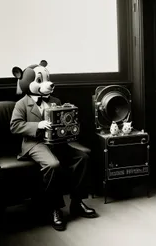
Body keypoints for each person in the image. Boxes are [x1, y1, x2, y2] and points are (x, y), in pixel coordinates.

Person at [10, 60, 98, 231]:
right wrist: (37, 126)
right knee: (53, 165)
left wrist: (70, 127)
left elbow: (61, 122)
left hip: (57, 142)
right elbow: (14, 126)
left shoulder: (56, 100)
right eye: (40, 80)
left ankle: (77, 202)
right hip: (34, 143)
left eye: (47, 79)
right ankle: (54, 208)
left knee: (83, 157)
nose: (48, 84)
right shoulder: (21, 104)